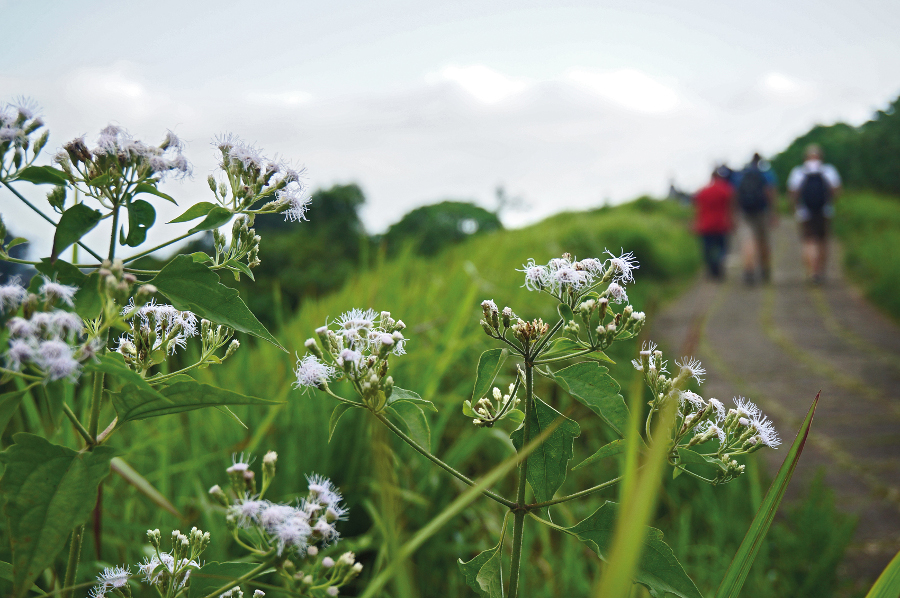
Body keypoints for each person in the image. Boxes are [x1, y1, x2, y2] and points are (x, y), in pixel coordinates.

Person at [787, 144, 842, 284]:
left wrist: (794, 208)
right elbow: (836, 191)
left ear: (805, 157)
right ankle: (821, 271)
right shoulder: (828, 170)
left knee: (809, 241)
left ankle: (812, 272)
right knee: (823, 241)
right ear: (821, 156)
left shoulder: (798, 172)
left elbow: (793, 194)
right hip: (825, 211)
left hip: (804, 213)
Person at [732, 153, 777, 284]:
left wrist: (734, 213)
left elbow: (735, 195)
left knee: (747, 241)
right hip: (761, 211)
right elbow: (770, 192)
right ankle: (765, 269)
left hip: (745, 212)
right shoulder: (767, 174)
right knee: (763, 241)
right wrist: (773, 212)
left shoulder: (741, 175)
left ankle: (749, 271)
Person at [692, 166, 734, 280]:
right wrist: (733, 221)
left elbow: (698, 209)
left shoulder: (703, 191)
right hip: (721, 225)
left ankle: (711, 270)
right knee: (722, 248)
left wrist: (695, 223)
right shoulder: (726, 189)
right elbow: (730, 208)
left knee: (707, 249)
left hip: (706, 225)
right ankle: (718, 266)